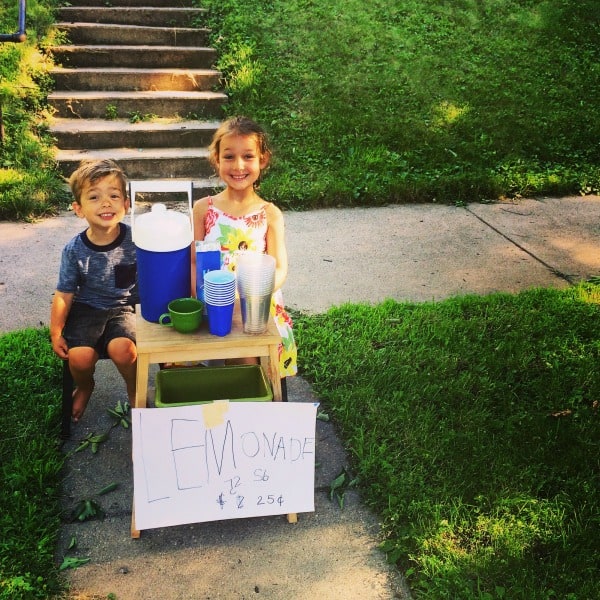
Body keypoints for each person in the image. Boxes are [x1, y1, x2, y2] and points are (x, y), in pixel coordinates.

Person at [193, 116, 297, 391]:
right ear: (216, 160)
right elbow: (194, 261)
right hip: (213, 306)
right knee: (186, 365)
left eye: (248, 156)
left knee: (247, 363)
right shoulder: (203, 208)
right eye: (229, 156)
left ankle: (252, 421)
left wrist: (251, 298)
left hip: (257, 310)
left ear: (263, 159)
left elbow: (280, 270)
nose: (238, 165)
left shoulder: (269, 214)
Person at [50, 159, 138, 422]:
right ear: (78, 209)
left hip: (125, 309)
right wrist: (56, 331)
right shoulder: (74, 249)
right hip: (87, 309)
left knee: (124, 350)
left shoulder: (138, 239)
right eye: (94, 197)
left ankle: (135, 390)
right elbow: (64, 294)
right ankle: (87, 386)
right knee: (79, 358)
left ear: (127, 204)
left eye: (114, 195)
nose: (106, 203)